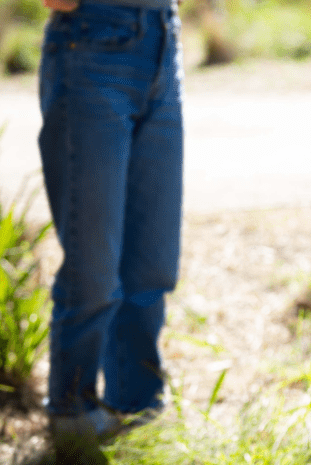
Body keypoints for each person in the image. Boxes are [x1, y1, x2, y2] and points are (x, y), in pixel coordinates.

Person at [38, 0, 184, 458]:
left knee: (152, 263)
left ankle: (138, 408)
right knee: (94, 265)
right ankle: (73, 415)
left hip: (164, 39)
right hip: (92, 42)